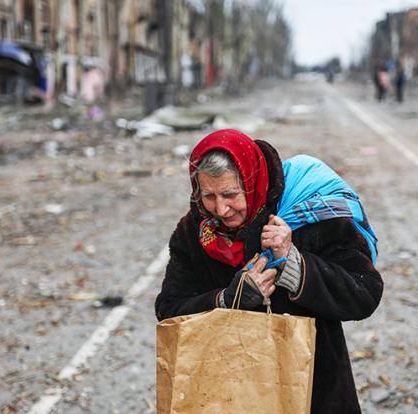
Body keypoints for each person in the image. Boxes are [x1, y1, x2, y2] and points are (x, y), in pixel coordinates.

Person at [155, 129, 383, 413]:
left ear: (252, 182)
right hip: (226, 391)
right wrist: (227, 300)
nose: (221, 209)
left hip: (314, 386)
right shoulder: (194, 232)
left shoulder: (306, 211)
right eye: (208, 195)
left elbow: (364, 294)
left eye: (230, 194)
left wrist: (294, 264)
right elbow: (169, 309)